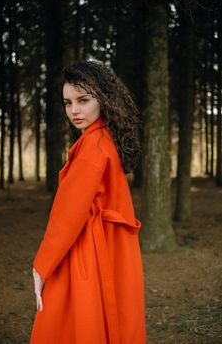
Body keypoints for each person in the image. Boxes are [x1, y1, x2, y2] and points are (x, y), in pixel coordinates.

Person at [30, 60, 147, 344]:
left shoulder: (93, 147)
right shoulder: (105, 138)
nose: (74, 111)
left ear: (103, 99)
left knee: (68, 325)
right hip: (112, 248)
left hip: (90, 251)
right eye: (68, 102)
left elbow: (68, 215)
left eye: (83, 100)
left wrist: (41, 266)